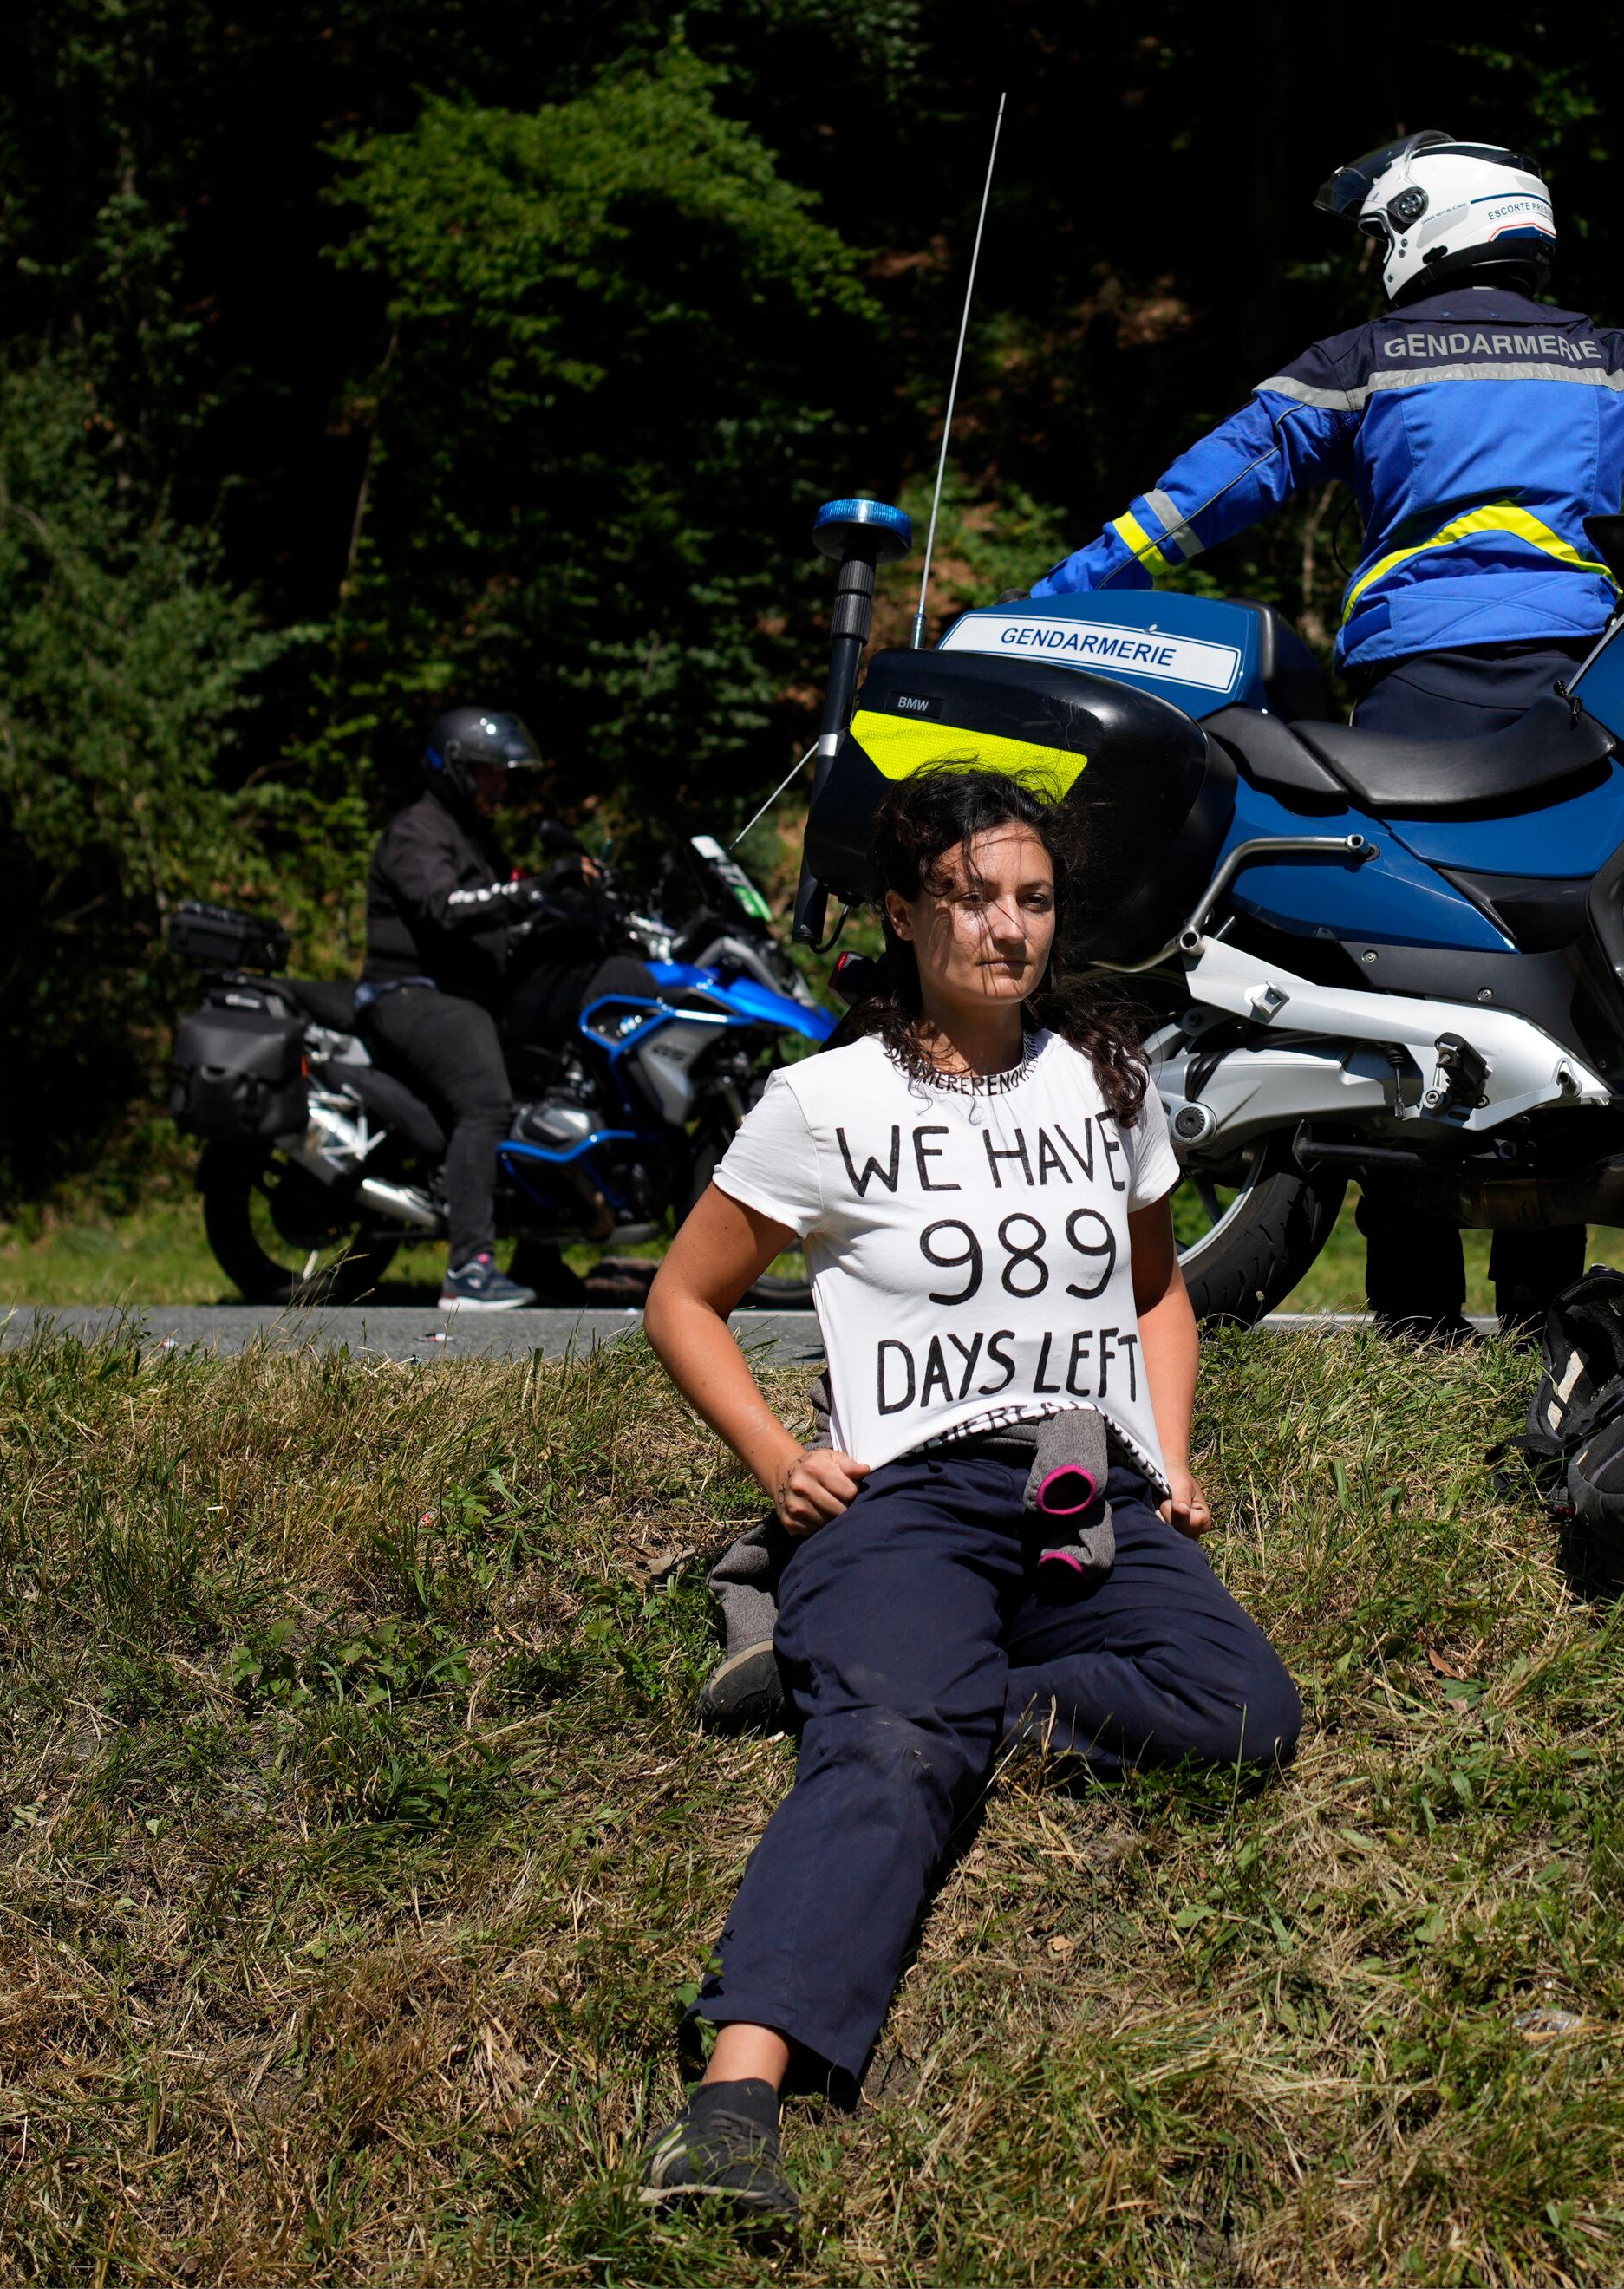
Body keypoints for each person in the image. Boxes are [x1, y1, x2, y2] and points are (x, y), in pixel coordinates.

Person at [633, 769, 1302, 2222]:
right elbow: (684, 1297)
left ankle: (918, 1688)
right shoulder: (823, 1101)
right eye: (972, 895)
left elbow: (1157, 1287)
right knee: (882, 1750)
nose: (1007, 929)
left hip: (1074, 1461)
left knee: (1243, 1706)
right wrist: (778, 1458)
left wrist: (1169, 1451)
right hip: (911, 1486)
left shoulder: (1100, 1081)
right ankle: (731, 2108)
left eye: (1033, 898)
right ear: (903, 907)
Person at [1028, 129, 1624, 1334]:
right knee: (1552, 964)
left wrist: (1068, 594)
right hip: (1582, 688)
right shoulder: (1608, 357)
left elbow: (1218, 484)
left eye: (1381, 230)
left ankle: (1414, 1305)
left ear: (1428, 221)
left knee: (1397, 964)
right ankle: (1547, 1296)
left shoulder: (1369, 357)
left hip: (1415, 687)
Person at [361, 705, 653, 1313]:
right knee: (487, 1101)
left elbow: (509, 912)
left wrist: (573, 909)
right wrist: (535, 887)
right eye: (489, 773)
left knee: (540, 1078)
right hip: (414, 993)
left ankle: (538, 1253)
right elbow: (449, 905)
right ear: (456, 768)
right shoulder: (417, 830)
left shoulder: (472, 835)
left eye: (503, 775)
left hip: (470, 994)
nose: (499, 785)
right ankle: (468, 1267)